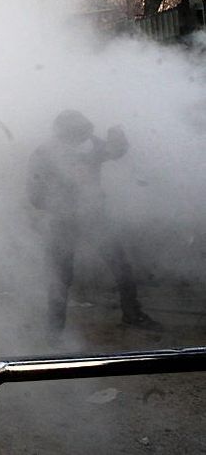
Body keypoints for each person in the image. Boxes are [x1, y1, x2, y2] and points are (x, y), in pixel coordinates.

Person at [27, 110, 162, 338]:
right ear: (65, 133)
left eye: (84, 133)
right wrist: (63, 200)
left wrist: (118, 136)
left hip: (94, 217)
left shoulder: (89, 146)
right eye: (78, 134)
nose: (84, 138)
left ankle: (132, 314)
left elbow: (115, 151)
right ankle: (54, 330)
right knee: (61, 276)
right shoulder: (44, 154)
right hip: (64, 221)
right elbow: (34, 195)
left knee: (120, 266)